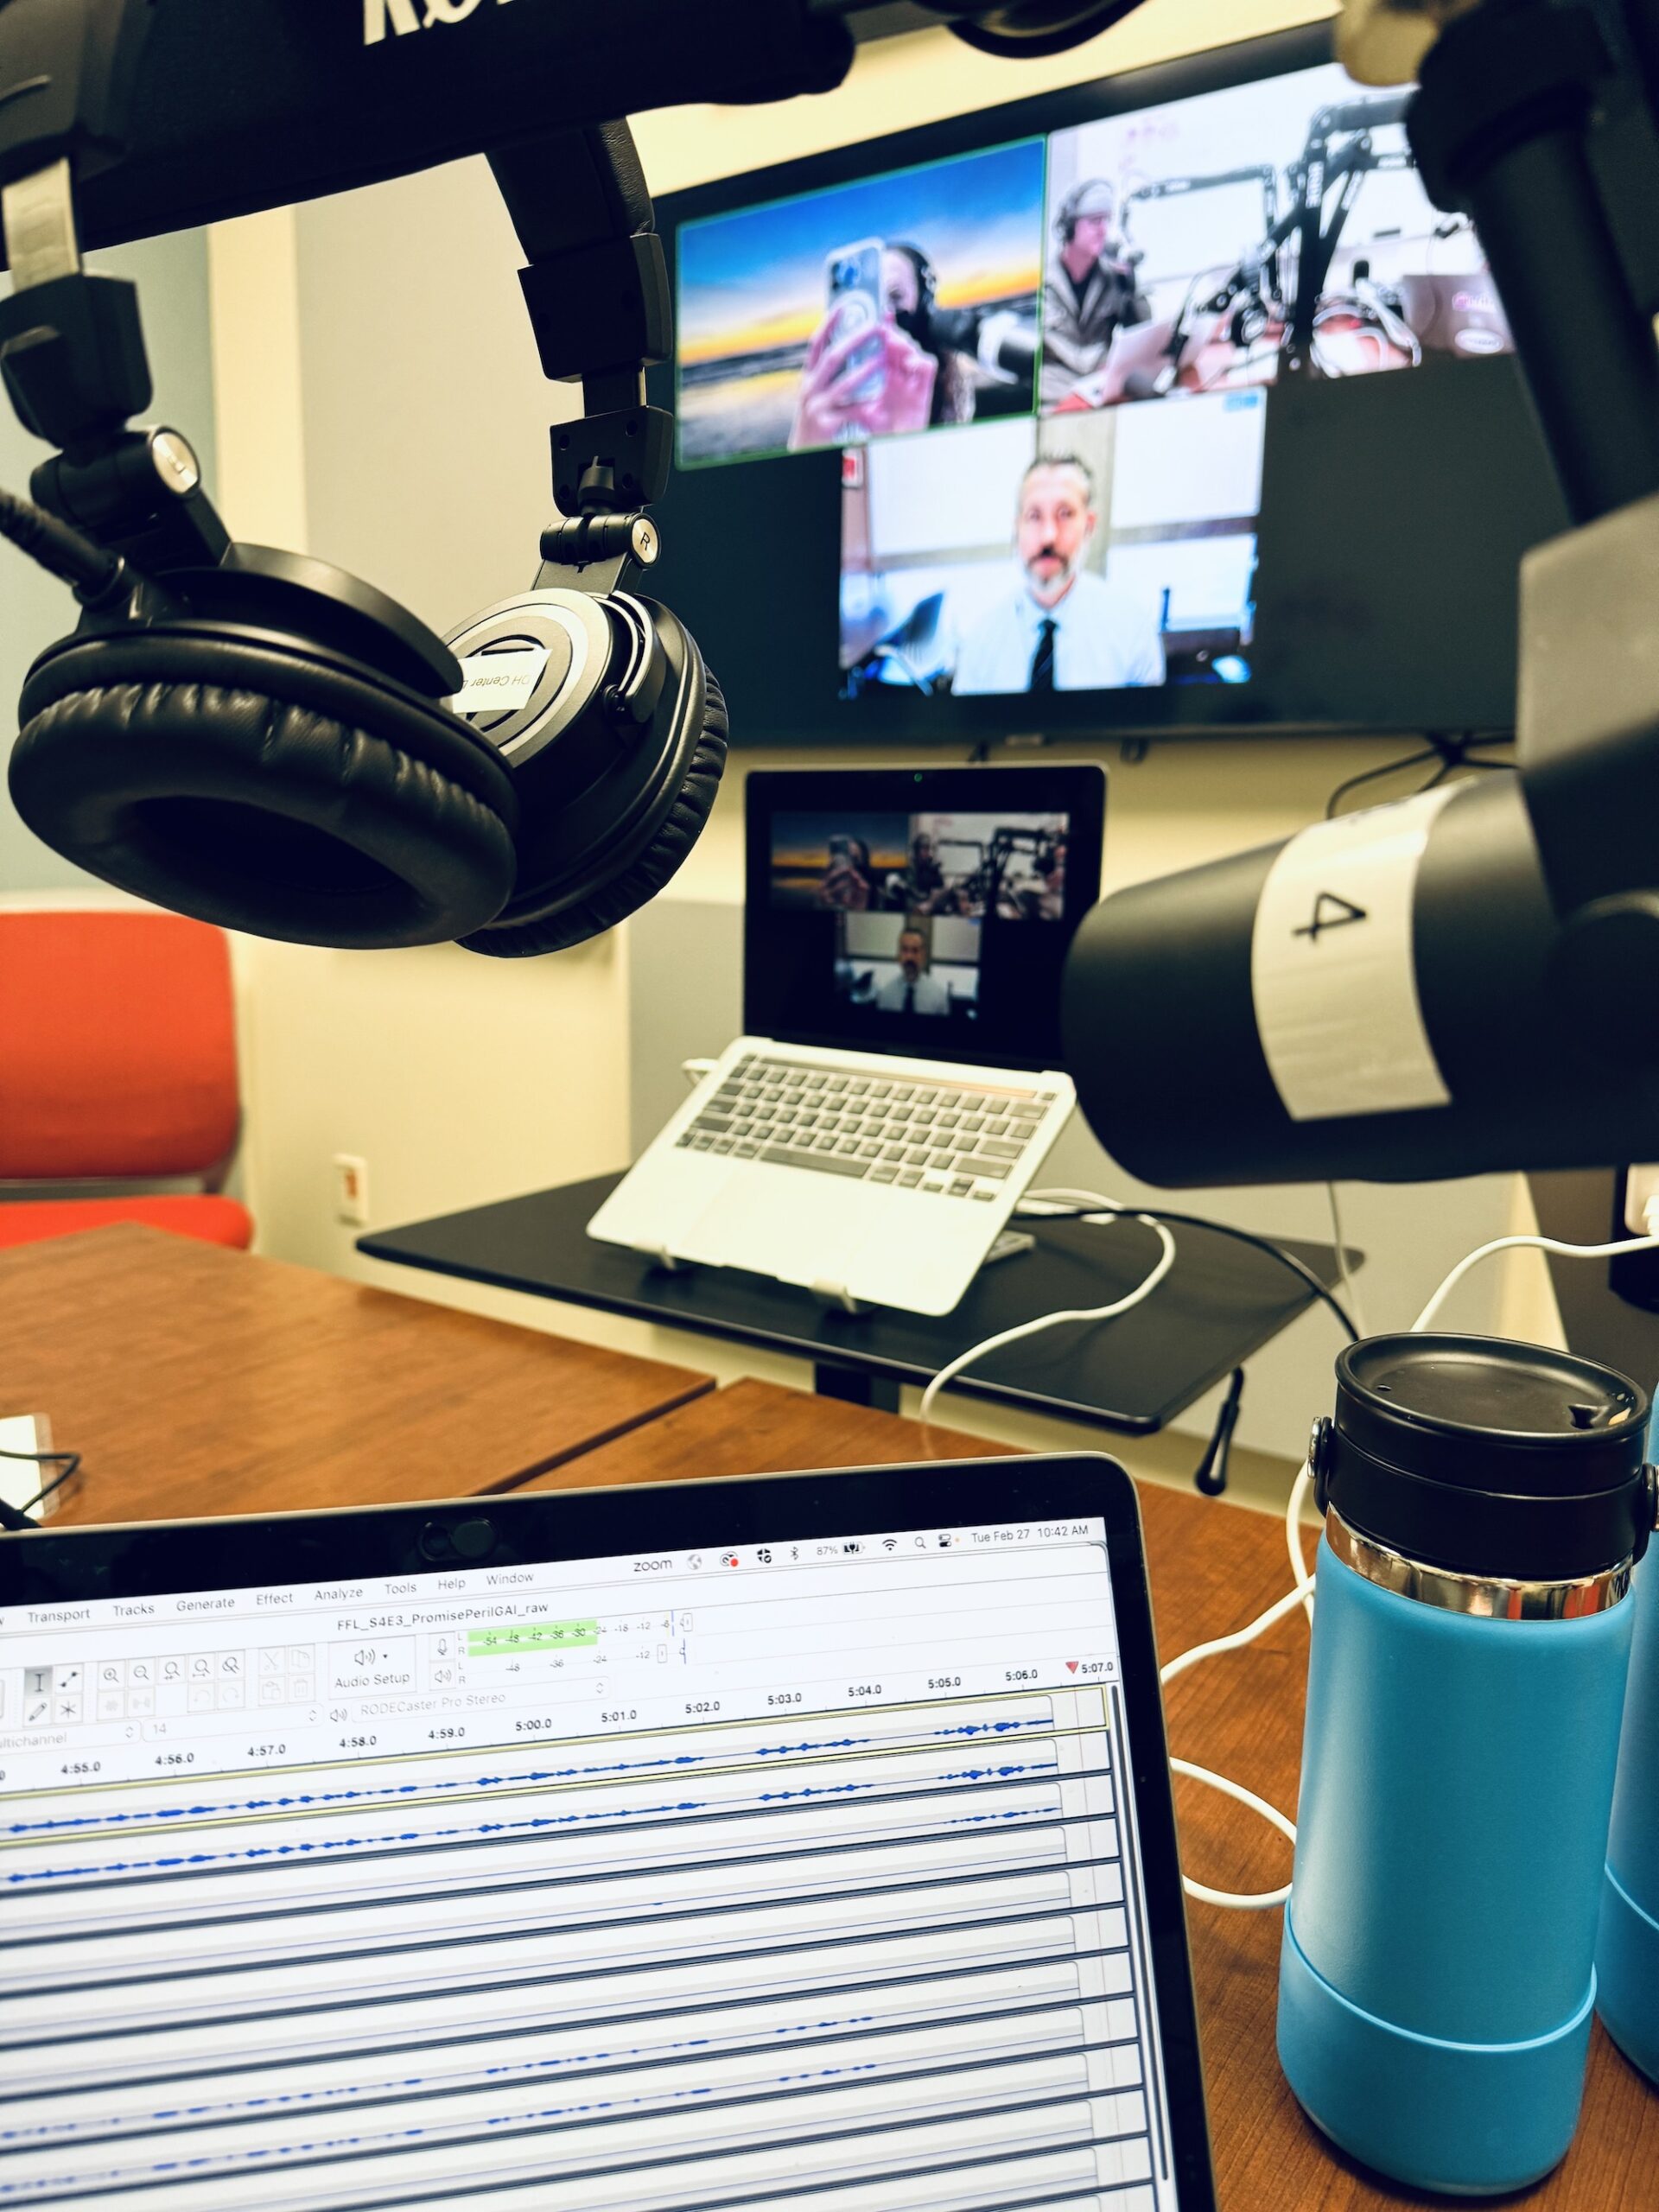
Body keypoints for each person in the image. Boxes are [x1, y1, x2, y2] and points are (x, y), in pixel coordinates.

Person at [951, 454, 1165, 695]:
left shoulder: (1132, 630)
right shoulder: (979, 642)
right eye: (1034, 516)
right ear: (1016, 528)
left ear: (1089, 525)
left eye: (1065, 514)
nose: (1048, 536)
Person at [789, 244, 975, 452]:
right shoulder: (826, 416)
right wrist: (803, 449)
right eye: (871, 304)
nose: (880, 318)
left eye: (895, 297)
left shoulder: (960, 411)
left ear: (925, 312)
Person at [1039, 180, 1150, 410]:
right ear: (1069, 227)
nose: (1103, 230)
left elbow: (1142, 331)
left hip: (1102, 390)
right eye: (1094, 222)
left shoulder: (1113, 276)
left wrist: (1131, 291)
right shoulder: (1043, 284)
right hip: (1054, 396)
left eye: (1106, 221)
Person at [874, 921, 950, 1015]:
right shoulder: (886, 994)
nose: (909, 957)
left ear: (923, 955)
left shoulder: (938, 996)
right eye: (905, 950)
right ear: (898, 955)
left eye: (915, 950)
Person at [815, 835, 877, 911]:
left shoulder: (876, 896)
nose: (849, 868)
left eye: (854, 859)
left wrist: (862, 909)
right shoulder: (827, 889)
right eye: (845, 859)